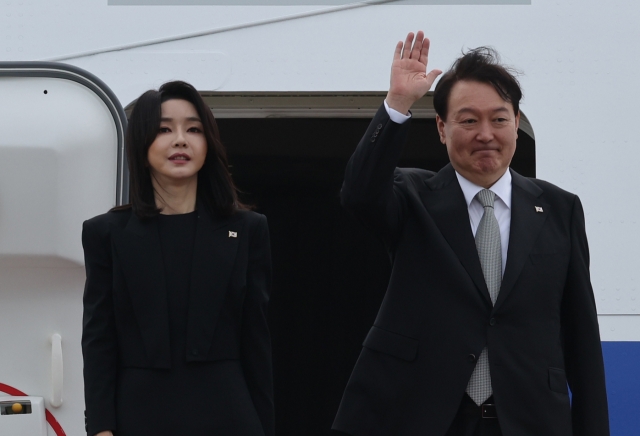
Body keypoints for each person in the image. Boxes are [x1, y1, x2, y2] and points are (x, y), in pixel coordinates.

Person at [332, 32, 609, 436]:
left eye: (499, 118)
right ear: (442, 129)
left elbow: (581, 337)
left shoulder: (558, 209)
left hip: (528, 419)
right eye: (468, 120)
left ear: (517, 123)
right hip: (421, 415)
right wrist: (397, 104)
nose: (485, 134)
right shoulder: (412, 197)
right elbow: (359, 194)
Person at [81, 81, 273, 436]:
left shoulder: (247, 230)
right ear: (141, 143)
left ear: (208, 143)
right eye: (164, 129)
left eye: (194, 129)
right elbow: (99, 341)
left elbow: (257, 343)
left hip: (228, 415)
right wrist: (101, 428)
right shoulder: (105, 234)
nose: (181, 140)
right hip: (138, 416)